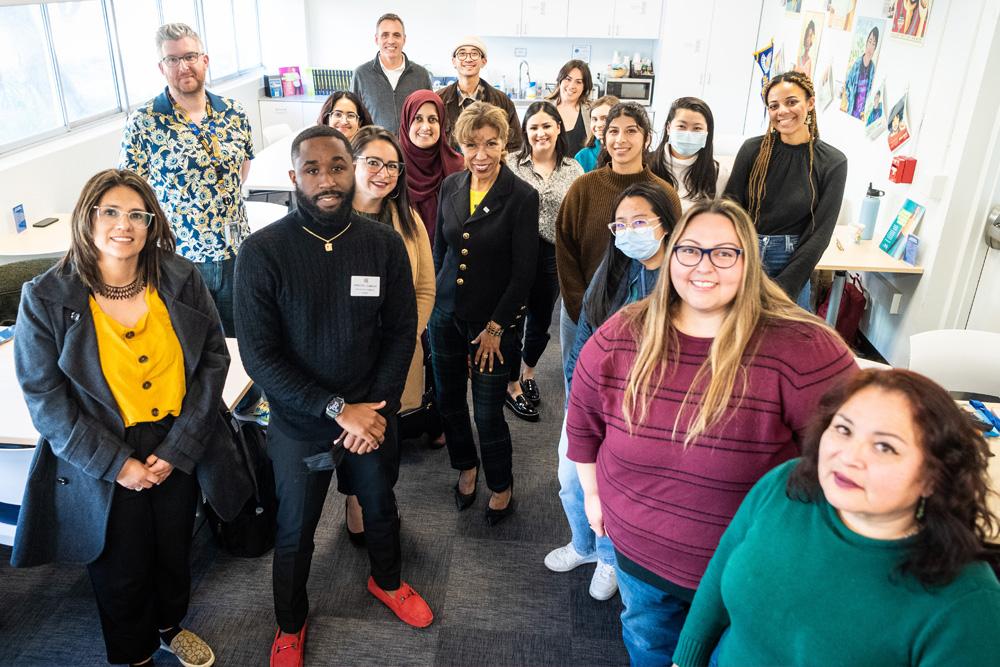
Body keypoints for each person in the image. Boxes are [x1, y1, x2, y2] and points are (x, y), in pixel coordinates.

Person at [567, 198, 857, 665]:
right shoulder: (624, 333)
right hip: (641, 559)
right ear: (671, 253)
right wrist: (593, 496)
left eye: (724, 253)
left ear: (749, 261)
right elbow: (582, 422)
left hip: (747, 571)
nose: (704, 266)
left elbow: (849, 458)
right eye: (690, 251)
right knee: (649, 646)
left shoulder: (802, 347)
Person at [11, 168, 251, 667]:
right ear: (87, 218)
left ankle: (169, 626)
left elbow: (213, 361)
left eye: (137, 215)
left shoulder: (180, 278)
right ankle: (134, 653)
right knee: (119, 566)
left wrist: (178, 447)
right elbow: (45, 398)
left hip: (175, 440)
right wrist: (118, 465)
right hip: (100, 450)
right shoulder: (47, 297)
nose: (126, 225)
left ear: (151, 223)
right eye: (111, 212)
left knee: (171, 551)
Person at [233, 125, 433, 667]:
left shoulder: (382, 243)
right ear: (293, 176)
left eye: (338, 167)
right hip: (301, 421)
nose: (328, 179)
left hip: (371, 413)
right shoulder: (261, 252)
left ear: (353, 171)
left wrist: (373, 411)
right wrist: (336, 409)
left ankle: (387, 582)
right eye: (314, 169)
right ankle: (290, 623)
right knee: (295, 532)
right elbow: (261, 358)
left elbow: (399, 331)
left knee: (381, 509)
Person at [673, 369, 1000, 666]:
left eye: (884, 447)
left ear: (934, 477)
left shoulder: (968, 604)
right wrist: (685, 660)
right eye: (843, 429)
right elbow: (721, 570)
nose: (848, 456)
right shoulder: (786, 485)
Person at [546, 182, 679, 602]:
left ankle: (608, 557)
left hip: (643, 412)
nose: (628, 231)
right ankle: (583, 546)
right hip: (593, 399)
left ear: (666, 225)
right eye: (620, 224)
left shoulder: (681, 277)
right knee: (571, 479)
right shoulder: (615, 267)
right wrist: (576, 395)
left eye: (640, 222)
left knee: (612, 489)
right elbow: (585, 334)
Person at [430, 101, 539, 525]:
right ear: (460, 145)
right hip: (446, 315)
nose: (481, 154)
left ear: (504, 144)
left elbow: (524, 272)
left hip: (492, 323)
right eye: (472, 144)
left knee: (489, 411)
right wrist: (432, 306)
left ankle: (501, 481)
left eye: (491, 143)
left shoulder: (521, 196)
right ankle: (466, 465)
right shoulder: (451, 186)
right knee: (449, 401)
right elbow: (442, 251)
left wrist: (496, 328)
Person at [119, 22, 253, 338]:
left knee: (245, 338)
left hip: (238, 250)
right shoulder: (144, 121)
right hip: (182, 258)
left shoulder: (232, 111)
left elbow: (243, 167)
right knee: (195, 347)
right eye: (173, 59)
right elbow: (130, 192)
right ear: (161, 67)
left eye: (190, 56)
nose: (184, 66)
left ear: (204, 60)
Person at [340, 125, 436, 546]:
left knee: (386, 433)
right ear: (351, 163)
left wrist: (402, 339)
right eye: (373, 162)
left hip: (394, 357)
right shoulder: (332, 220)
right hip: (343, 357)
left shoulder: (407, 218)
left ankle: (377, 502)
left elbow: (426, 288)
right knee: (348, 436)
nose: (384, 173)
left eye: (393, 165)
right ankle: (355, 502)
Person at [555, 102, 680, 381]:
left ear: (646, 138)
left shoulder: (663, 193)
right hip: (583, 306)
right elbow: (565, 247)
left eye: (631, 131)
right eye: (613, 131)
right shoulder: (583, 187)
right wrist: (581, 305)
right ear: (603, 137)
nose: (620, 139)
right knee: (578, 380)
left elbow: (675, 254)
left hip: (643, 310)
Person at [724, 71, 847, 309]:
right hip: (746, 253)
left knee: (784, 341)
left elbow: (820, 233)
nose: (782, 111)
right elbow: (730, 209)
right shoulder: (752, 150)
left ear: (810, 103)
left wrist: (785, 287)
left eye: (791, 102)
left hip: (793, 262)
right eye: (774, 105)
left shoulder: (832, 162)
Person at [504, 101, 584, 420]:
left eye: (546, 125)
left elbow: (576, 217)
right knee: (513, 320)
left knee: (539, 321)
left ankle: (528, 373)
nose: (541, 133)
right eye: (534, 127)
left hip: (552, 254)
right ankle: (511, 384)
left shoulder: (573, 169)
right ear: (525, 130)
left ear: (558, 128)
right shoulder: (511, 164)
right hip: (513, 254)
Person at [399, 90, 465, 241]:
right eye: (418, 118)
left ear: (441, 123)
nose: (425, 127)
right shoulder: (391, 167)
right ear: (407, 121)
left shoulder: (458, 167)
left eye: (432, 119)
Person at [437, 36, 522, 153]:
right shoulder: (439, 99)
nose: (468, 59)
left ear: (483, 61)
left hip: (489, 167)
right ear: (454, 61)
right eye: (462, 54)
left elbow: (515, 145)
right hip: (450, 170)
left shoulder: (501, 101)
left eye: (474, 54)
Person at [351, 13, 432, 134]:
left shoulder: (421, 75)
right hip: (375, 149)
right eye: (385, 35)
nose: (391, 41)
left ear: (404, 39)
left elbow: (430, 114)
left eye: (396, 35)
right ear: (376, 39)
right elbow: (353, 116)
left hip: (413, 150)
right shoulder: (361, 75)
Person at [649, 97, 730, 214]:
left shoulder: (718, 173)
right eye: (682, 126)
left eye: (697, 128)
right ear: (668, 128)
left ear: (707, 133)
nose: (688, 134)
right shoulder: (646, 164)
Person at [547, 59, 593, 156]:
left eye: (578, 82)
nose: (572, 86)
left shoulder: (591, 112)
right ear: (560, 80)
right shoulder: (544, 109)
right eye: (568, 79)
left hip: (584, 170)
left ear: (584, 87)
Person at [573, 94, 619, 173]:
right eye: (594, 119)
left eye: (605, 118)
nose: (598, 125)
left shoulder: (626, 153)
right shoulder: (582, 156)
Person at [843, 26, 879, 120]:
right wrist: (849, 98)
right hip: (851, 110)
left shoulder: (873, 69)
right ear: (866, 43)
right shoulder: (857, 64)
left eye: (874, 44)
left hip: (862, 115)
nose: (871, 47)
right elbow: (847, 83)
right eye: (870, 42)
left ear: (875, 47)